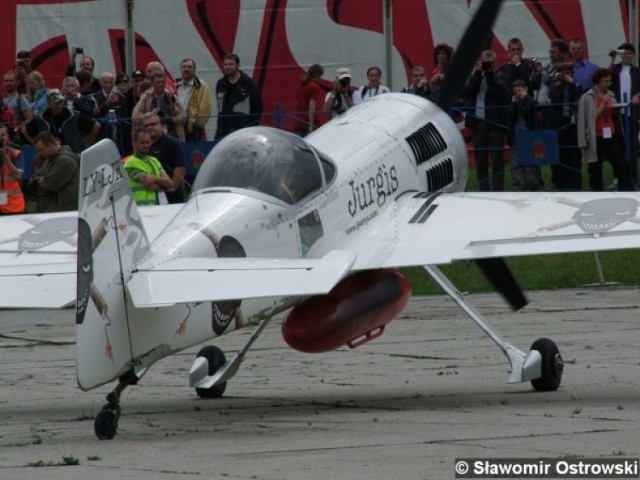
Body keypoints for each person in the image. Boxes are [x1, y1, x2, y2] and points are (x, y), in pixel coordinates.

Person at [577, 67, 633, 191]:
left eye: (610, 81)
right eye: (606, 81)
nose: (608, 84)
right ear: (598, 81)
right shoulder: (588, 97)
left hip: (611, 134)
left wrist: (616, 108)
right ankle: (597, 191)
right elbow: (591, 118)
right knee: (595, 167)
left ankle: (625, 189)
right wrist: (603, 104)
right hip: (596, 136)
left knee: (620, 163)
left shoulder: (610, 95)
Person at [462, 50, 509, 191]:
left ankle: (498, 190)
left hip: (495, 123)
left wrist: (489, 75)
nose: (488, 65)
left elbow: (499, 91)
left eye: (491, 63)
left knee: (497, 160)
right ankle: (484, 189)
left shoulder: (501, 75)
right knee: (481, 161)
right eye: (485, 62)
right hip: (479, 123)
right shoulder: (474, 76)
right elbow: (468, 93)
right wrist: (478, 73)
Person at [21, 89, 101, 153]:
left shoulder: (74, 116)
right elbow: (24, 130)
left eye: (61, 102)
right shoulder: (41, 118)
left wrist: (84, 147)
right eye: (56, 103)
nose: (59, 106)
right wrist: (37, 147)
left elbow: (96, 126)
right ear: (49, 103)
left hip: (71, 155)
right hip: (49, 157)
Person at [544, 63, 582, 190]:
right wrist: (560, 84)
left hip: (572, 124)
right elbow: (555, 100)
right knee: (558, 155)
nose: (565, 76)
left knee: (573, 155)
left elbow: (578, 98)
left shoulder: (575, 86)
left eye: (568, 73)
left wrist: (571, 84)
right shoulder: (554, 87)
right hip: (557, 124)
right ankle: (559, 182)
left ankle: (574, 183)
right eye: (563, 74)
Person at [608, 42, 640, 182]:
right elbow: (606, 77)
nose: (626, 56)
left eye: (629, 53)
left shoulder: (637, 71)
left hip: (632, 111)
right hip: (618, 110)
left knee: (632, 143)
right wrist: (612, 59)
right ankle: (619, 176)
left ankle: (632, 175)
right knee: (619, 144)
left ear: (633, 55)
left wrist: (637, 96)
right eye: (624, 53)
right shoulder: (616, 69)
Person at [214, 53, 263, 140]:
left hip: (243, 130)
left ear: (238, 65)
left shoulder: (248, 83)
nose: (228, 67)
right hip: (223, 130)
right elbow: (220, 108)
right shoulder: (220, 84)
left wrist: (251, 126)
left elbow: (258, 107)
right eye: (225, 64)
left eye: (231, 64)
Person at [28, 131, 80, 213]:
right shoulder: (49, 158)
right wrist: (38, 181)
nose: (40, 153)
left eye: (41, 150)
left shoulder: (64, 161)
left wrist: (39, 181)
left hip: (62, 211)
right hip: (51, 209)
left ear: (50, 145)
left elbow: (48, 185)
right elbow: (34, 181)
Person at [142, 112, 186, 203]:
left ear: (160, 125)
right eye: (146, 126)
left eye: (153, 124)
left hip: (171, 196)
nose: (149, 127)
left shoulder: (172, 143)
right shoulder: (142, 146)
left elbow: (181, 167)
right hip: (150, 196)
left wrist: (172, 187)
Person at [124, 127, 174, 206]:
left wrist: (154, 178)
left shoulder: (155, 161)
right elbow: (150, 186)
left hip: (158, 208)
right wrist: (164, 185)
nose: (146, 145)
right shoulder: (130, 164)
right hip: (141, 210)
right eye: (142, 143)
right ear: (134, 143)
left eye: (148, 142)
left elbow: (170, 184)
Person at [507, 80, 541, 191]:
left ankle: (532, 183)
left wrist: (523, 99)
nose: (518, 93)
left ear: (525, 89)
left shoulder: (530, 101)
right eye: (515, 91)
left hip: (528, 133)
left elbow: (528, 110)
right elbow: (510, 116)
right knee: (515, 160)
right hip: (515, 134)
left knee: (529, 159)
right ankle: (519, 184)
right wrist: (514, 103)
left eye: (520, 90)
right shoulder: (512, 102)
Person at [133, 72, 186, 141]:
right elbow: (135, 118)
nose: (161, 84)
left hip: (171, 135)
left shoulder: (172, 97)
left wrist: (170, 119)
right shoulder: (145, 98)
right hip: (150, 136)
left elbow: (183, 117)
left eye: (162, 82)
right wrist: (150, 115)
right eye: (158, 82)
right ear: (152, 83)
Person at [176, 58, 213, 141]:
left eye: (189, 67)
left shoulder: (201, 85)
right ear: (181, 69)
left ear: (194, 69)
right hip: (177, 126)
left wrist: (197, 123)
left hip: (193, 127)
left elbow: (206, 107)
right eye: (184, 67)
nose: (187, 69)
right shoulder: (176, 85)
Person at [0, 124, 26, 215]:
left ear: (7, 137)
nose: (1, 139)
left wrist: (5, 157)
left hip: (14, 206)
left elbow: (18, 176)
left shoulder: (15, 154)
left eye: (3, 135)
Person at [293, 63, 324, 136]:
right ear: (318, 75)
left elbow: (297, 101)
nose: (320, 78)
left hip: (299, 121)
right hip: (310, 122)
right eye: (320, 76)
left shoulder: (302, 85)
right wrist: (311, 124)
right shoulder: (314, 87)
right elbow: (312, 106)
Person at [535, 39, 569, 105]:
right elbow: (535, 85)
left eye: (555, 52)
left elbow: (554, 83)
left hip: (555, 106)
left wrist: (542, 71)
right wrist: (535, 73)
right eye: (551, 52)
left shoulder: (565, 68)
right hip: (543, 108)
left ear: (563, 53)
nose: (551, 55)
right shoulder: (547, 67)